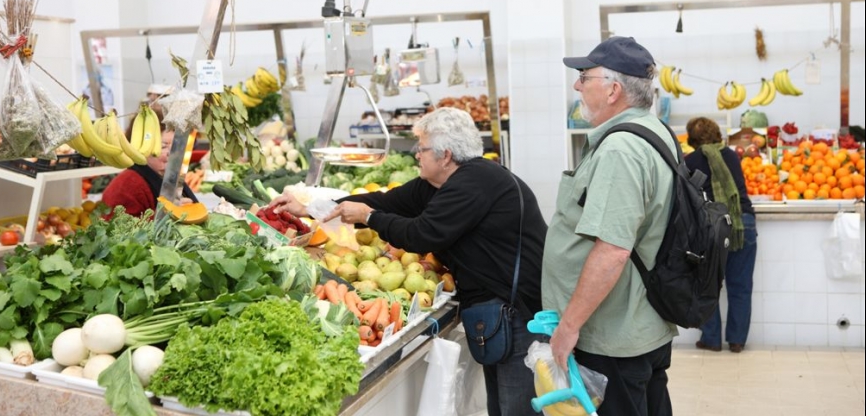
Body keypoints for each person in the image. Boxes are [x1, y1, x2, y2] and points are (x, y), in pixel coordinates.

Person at [272, 107, 548, 416]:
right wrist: (311, 208)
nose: (416, 153)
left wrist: (370, 218)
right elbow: (385, 201)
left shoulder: (476, 181)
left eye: (422, 147)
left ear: (445, 155)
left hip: (518, 312)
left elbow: (422, 234)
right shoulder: (437, 183)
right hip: (496, 307)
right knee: (502, 408)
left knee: (517, 409)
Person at [542, 36, 677, 416]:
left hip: (613, 336)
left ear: (613, 89)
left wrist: (569, 326)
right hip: (641, 323)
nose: (577, 85)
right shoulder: (654, 131)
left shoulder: (621, 150)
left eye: (585, 77)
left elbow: (613, 251)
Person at [684, 117, 757, 353]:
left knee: (707, 285)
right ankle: (737, 341)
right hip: (742, 223)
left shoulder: (690, 161)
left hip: (710, 227)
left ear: (692, 139)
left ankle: (711, 339)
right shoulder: (732, 156)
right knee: (741, 286)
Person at [102, 122, 197, 217]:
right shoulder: (125, 187)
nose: (173, 152)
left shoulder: (171, 177)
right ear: (141, 150)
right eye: (163, 146)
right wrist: (165, 215)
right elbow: (116, 224)